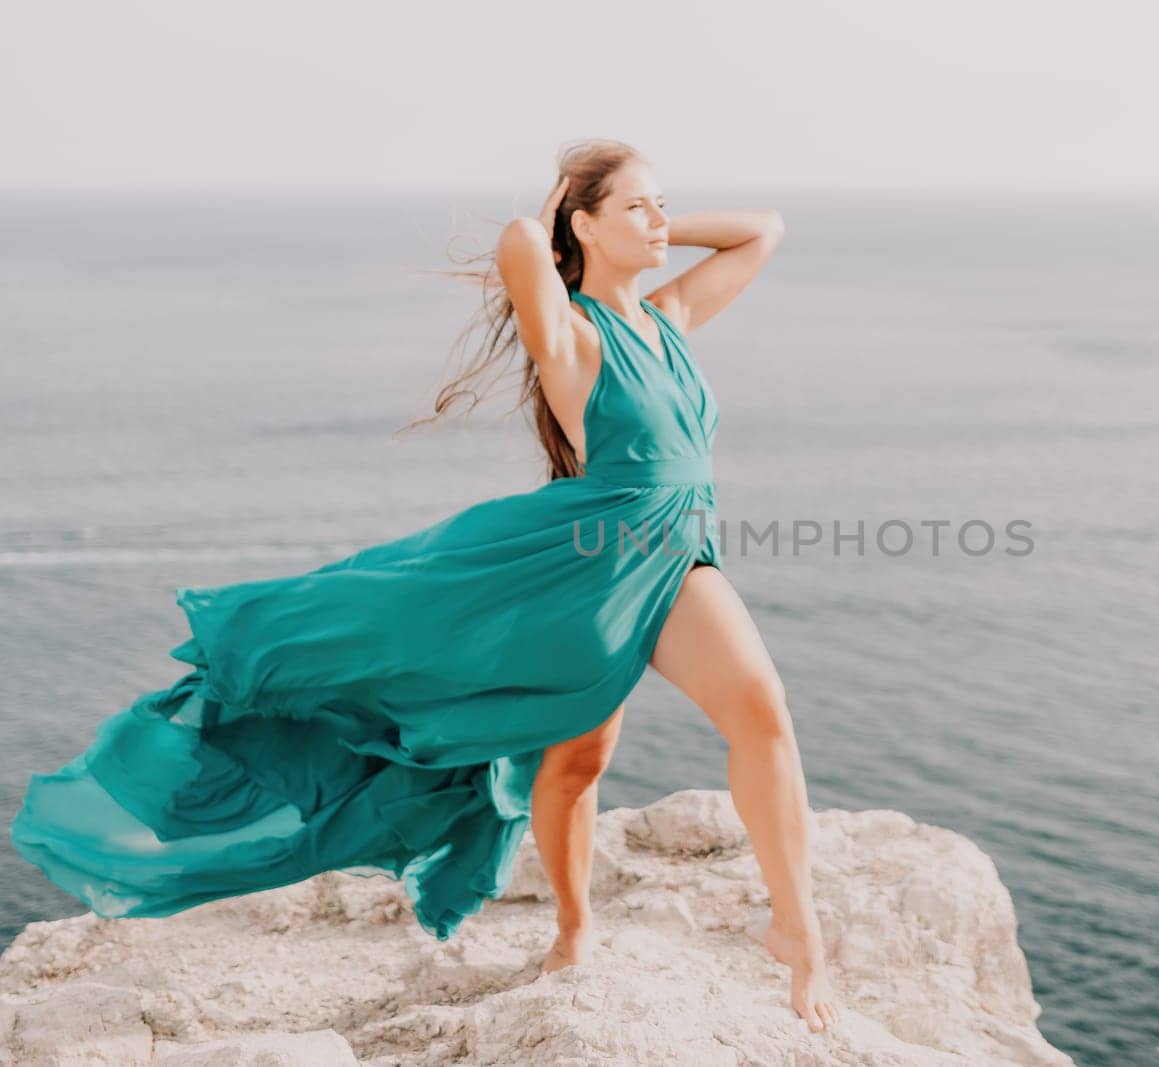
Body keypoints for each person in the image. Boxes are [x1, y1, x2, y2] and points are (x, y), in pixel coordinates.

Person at [9, 138, 839, 1033]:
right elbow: (525, 239)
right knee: (576, 759)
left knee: (761, 707)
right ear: (585, 224)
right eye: (636, 206)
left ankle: (795, 930)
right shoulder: (573, 335)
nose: (660, 219)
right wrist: (564, 209)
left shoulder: (667, 319)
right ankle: (574, 927)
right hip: (582, 569)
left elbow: (764, 231)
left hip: (676, 554)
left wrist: (656, 222)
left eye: (662, 204)